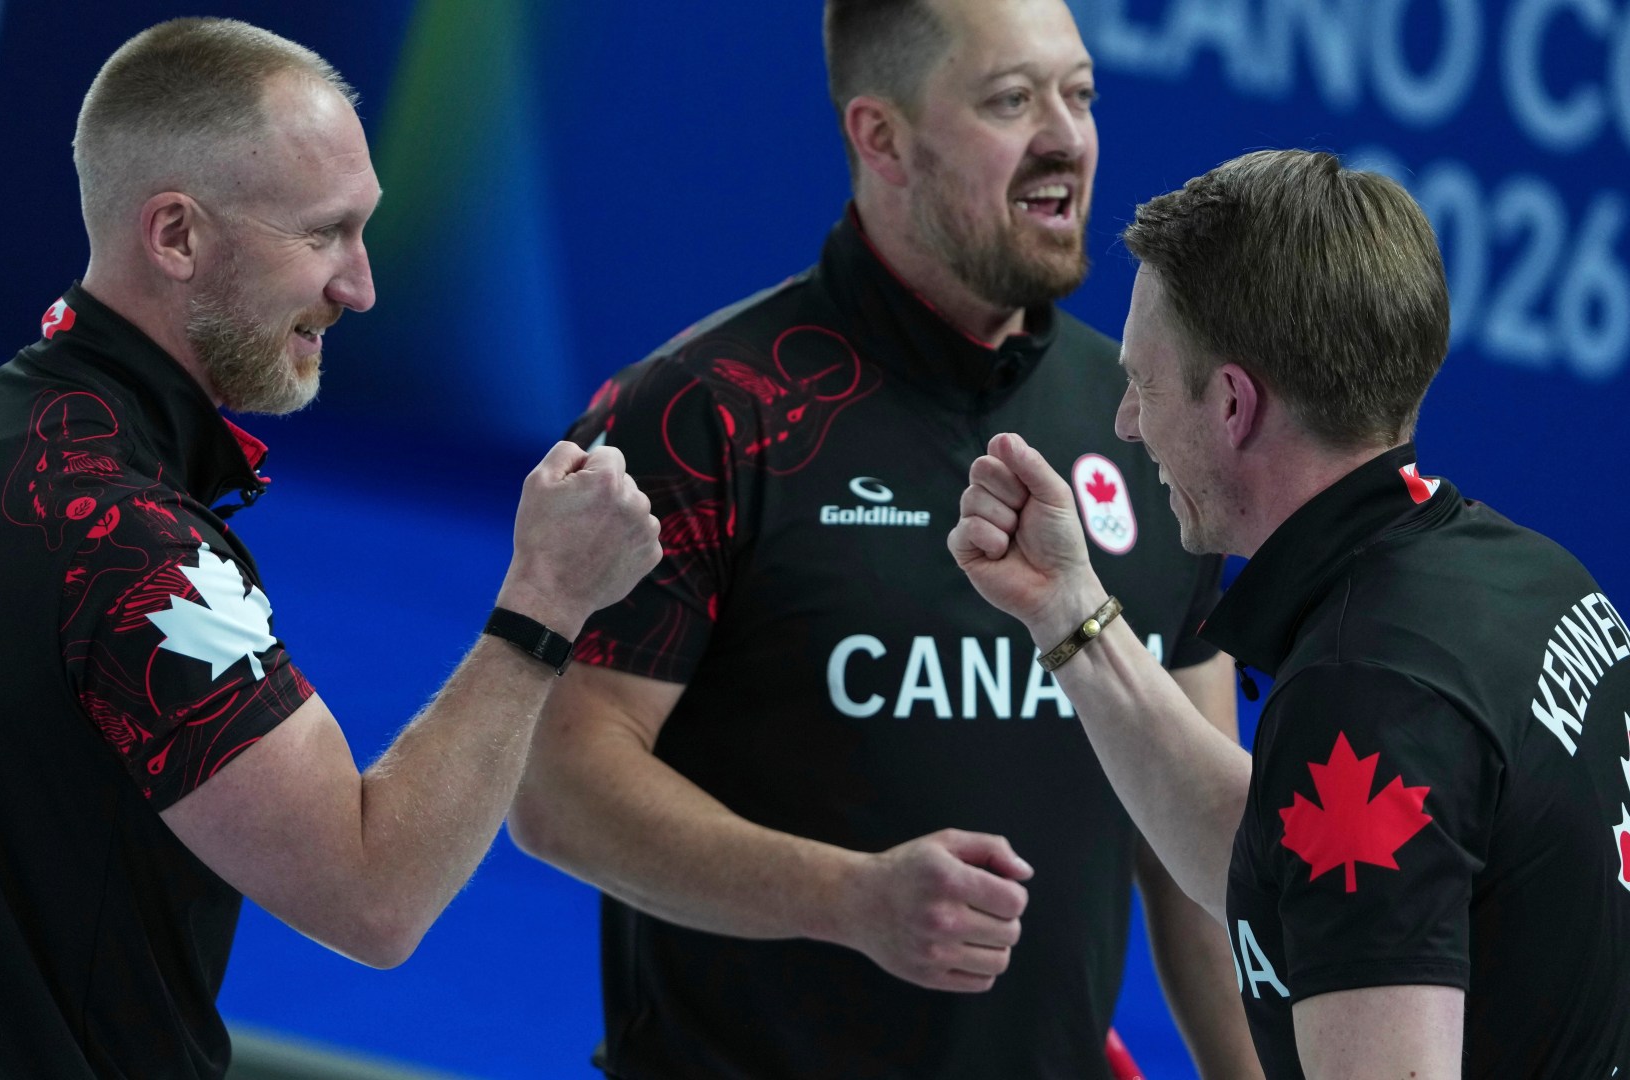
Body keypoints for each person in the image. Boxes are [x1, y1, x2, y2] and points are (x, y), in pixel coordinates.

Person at [0, 18, 659, 1077]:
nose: (360, 286)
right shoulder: (132, 550)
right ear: (176, 236)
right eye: (324, 234)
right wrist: (545, 599)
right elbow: (373, 893)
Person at [507, 1, 1261, 1077]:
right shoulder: (705, 414)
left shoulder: (1147, 420)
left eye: (1080, 94)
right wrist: (847, 899)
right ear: (881, 138)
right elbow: (558, 785)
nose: (1067, 136)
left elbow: (1200, 853)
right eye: (1012, 100)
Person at [949, 148, 1630, 1077]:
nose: (1127, 422)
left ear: (1232, 404)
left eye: (1144, 384)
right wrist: (1068, 609)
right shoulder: (1531, 579)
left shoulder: (1366, 693)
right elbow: (1287, 869)